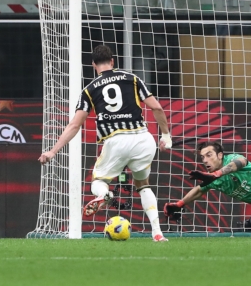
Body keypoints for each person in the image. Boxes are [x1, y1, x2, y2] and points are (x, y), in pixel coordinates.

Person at [38, 44, 173, 242]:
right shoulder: (132, 79)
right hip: (144, 139)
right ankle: (157, 232)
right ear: (112, 61)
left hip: (116, 140)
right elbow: (157, 108)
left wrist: (53, 151)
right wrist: (166, 136)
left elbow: (75, 125)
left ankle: (104, 194)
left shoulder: (89, 90)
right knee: (143, 185)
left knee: (99, 182)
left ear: (93, 65)